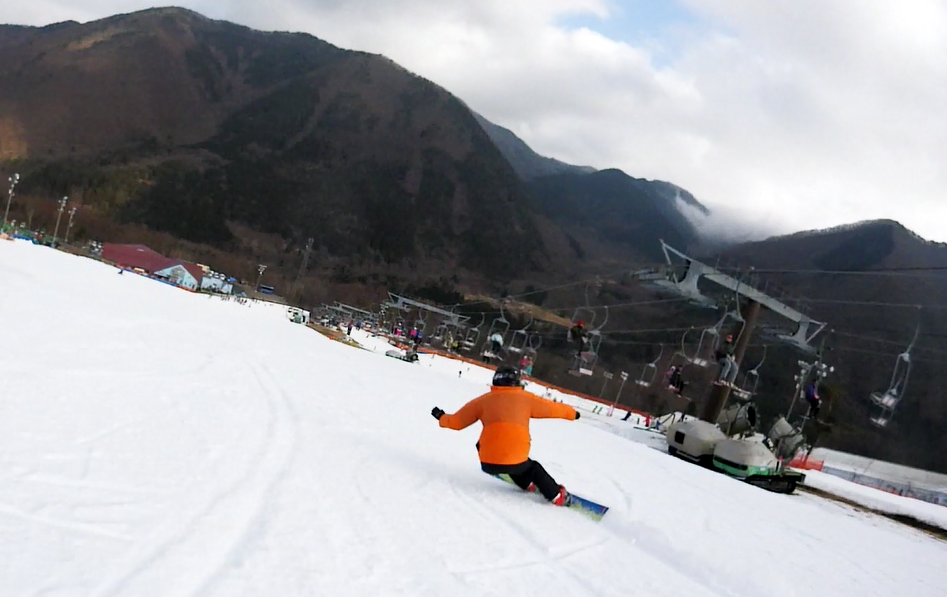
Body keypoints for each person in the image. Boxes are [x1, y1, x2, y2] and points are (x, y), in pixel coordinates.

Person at [431, 366, 579, 506]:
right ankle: (557, 496)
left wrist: (441, 417)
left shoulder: (483, 401)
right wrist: (573, 414)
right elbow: (553, 409)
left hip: (487, 463)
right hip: (516, 460)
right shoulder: (527, 399)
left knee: (512, 460)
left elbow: (457, 422)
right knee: (531, 468)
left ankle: (527, 484)